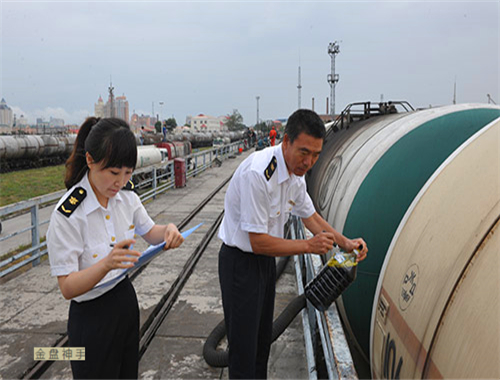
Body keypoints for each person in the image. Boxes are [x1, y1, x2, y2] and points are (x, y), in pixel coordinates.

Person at [217, 109, 368, 379]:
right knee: (243, 350)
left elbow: (310, 217)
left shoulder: (295, 177)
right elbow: (258, 241)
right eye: (304, 152)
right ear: (285, 141)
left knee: (262, 344)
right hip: (240, 264)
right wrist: (309, 247)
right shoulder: (259, 173)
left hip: (263, 263)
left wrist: (345, 243)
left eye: (316, 155)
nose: (309, 161)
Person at [47, 117, 184, 379]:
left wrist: (167, 230)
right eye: (113, 173)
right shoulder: (68, 214)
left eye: (128, 173)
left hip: (124, 303)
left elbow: (150, 231)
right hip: (90, 318)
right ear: (90, 161)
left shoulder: (126, 198)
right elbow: (67, 286)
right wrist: (106, 264)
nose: (120, 182)